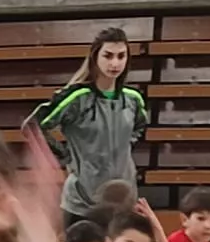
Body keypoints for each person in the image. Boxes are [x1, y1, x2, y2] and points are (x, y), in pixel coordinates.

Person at [38, 27, 148, 220]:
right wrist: (67, 157)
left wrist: (126, 146)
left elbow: (139, 126)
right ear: (95, 56)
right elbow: (35, 126)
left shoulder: (133, 99)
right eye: (108, 56)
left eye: (121, 56)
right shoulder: (77, 97)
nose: (115, 63)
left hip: (124, 202)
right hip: (81, 205)